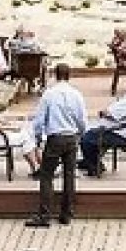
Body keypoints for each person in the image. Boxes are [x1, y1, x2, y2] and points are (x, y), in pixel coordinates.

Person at [25, 63, 87, 228]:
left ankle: (44, 215)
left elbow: (39, 120)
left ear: (55, 75)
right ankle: (66, 214)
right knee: (69, 175)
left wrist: (37, 138)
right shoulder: (76, 95)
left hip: (55, 137)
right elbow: (82, 120)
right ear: (69, 76)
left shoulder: (49, 94)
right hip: (71, 137)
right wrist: (80, 133)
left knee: (46, 175)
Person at [81, 78, 126, 177]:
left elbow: (108, 113)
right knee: (94, 134)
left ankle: (94, 166)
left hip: (121, 135)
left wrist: (103, 113)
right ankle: (92, 161)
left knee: (86, 138)